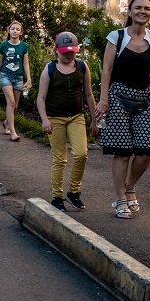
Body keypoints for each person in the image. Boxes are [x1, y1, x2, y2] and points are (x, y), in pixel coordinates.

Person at [93, 0, 150, 219]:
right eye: (138, 8)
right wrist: (103, 99)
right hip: (118, 97)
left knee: (145, 152)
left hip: (144, 99)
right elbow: (106, 70)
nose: (142, 11)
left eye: (147, 8)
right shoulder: (116, 37)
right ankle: (119, 199)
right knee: (123, 151)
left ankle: (129, 186)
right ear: (130, 12)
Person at [36, 32, 98, 212]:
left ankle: (74, 192)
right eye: (65, 52)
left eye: (72, 51)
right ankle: (57, 197)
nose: (69, 55)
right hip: (55, 118)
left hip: (76, 116)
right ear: (57, 51)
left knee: (81, 154)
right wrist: (45, 119)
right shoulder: (49, 69)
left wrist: (94, 121)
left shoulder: (82, 66)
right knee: (60, 158)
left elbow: (88, 95)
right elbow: (41, 98)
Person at [0, 21, 31, 142]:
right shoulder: (3, 46)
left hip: (18, 77)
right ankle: (13, 132)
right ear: (9, 31)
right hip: (6, 76)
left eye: (17, 29)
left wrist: (29, 79)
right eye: (12, 29)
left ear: (21, 32)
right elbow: (0, 63)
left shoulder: (24, 46)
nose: (15, 31)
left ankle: (6, 122)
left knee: (15, 105)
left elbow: (25, 63)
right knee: (11, 101)